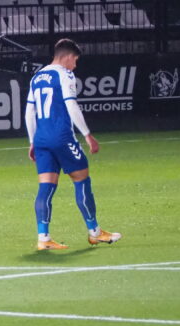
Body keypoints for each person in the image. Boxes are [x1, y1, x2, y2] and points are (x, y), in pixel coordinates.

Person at [26, 38, 121, 251]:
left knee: (46, 187)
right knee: (81, 180)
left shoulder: (36, 77)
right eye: (75, 60)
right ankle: (95, 232)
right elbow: (71, 105)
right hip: (61, 137)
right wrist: (87, 135)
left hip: (41, 139)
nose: (75, 65)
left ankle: (43, 238)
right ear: (67, 56)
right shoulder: (64, 74)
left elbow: (29, 112)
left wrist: (32, 141)